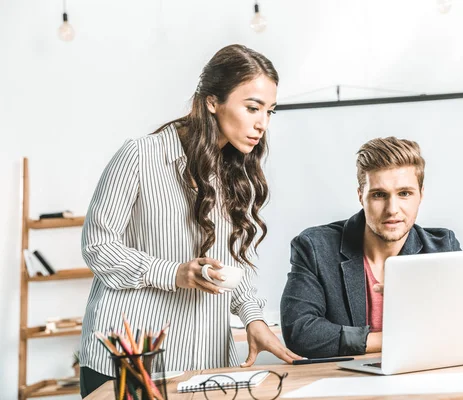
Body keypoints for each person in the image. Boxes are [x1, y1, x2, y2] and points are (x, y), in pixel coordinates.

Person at [79, 44, 301, 397]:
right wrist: (175, 273)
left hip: (206, 358)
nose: (262, 124)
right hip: (133, 358)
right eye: (252, 108)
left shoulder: (231, 172)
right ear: (213, 101)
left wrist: (252, 317)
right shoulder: (140, 155)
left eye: (270, 112)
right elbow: (97, 246)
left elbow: (225, 264)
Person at [280, 137, 461, 358]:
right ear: (361, 196)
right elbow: (301, 332)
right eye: (378, 195)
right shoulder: (316, 247)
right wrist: (392, 339)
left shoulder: (443, 248)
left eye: (404, 193)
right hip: (346, 383)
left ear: (421, 195)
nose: (392, 209)